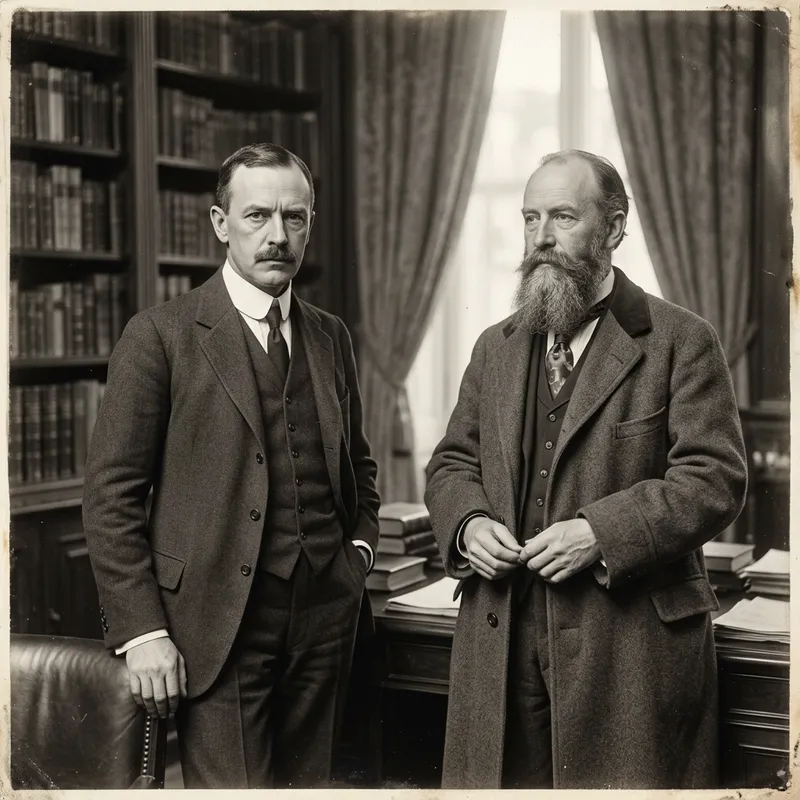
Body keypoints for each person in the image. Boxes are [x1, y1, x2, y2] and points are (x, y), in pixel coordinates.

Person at [424, 149, 747, 790]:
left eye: (563, 217)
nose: (540, 238)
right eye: (529, 218)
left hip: (627, 653)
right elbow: (452, 462)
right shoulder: (497, 345)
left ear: (615, 228)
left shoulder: (681, 340)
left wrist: (602, 532)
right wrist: (467, 522)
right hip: (501, 642)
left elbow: (713, 478)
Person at [83, 142, 380, 789]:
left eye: (294, 218)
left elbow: (359, 467)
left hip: (327, 621)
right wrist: (142, 633)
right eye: (257, 217)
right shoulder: (159, 336)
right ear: (221, 224)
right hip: (215, 628)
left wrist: (356, 554)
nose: (278, 235)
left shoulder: (331, 337)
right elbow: (111, 500)